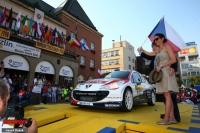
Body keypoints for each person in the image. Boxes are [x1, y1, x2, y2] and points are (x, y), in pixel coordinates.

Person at [140, 33, 179, 125]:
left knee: (167, 96)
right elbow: (149, 54)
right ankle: (172, 118)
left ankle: (166, 119)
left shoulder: (167, 47)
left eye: (157, 39)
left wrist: (162, 65)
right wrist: (142, 50)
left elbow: (174, 60)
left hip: (166, 72)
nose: (155, 41)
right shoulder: (158, 51)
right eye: (154, 40)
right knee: (167, 96)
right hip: (161, 74)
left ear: (162, 39)